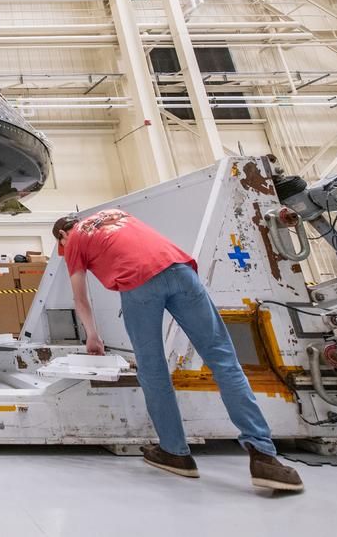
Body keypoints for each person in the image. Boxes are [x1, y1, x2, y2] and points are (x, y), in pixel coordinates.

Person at [54, 210, 303, 492]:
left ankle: (174, 452)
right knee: (223, 360)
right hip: (180, 269)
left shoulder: (74, 239)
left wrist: (93, 336)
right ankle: (265, 457)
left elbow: (80, 298)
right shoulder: (115, 213)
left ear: (62, 235)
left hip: (138, 283)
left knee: (153, 369)